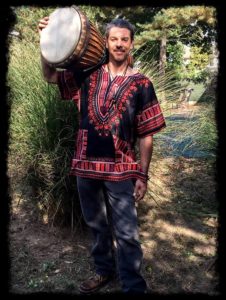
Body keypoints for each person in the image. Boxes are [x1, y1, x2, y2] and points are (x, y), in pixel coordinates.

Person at [38, 13, 166, 294]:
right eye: (114, 39)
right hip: (85, 164)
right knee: (96, 226)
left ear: (131, 43)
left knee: (127, 233)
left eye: (124, 39)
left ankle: (133, 285)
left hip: (121, 169)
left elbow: (146, 134)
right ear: (106, 42)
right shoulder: (87, 73)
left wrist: (142, 175)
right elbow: (49, 75)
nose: (119, 44)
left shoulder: (142, 84)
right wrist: (46, 41)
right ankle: (104, 271)